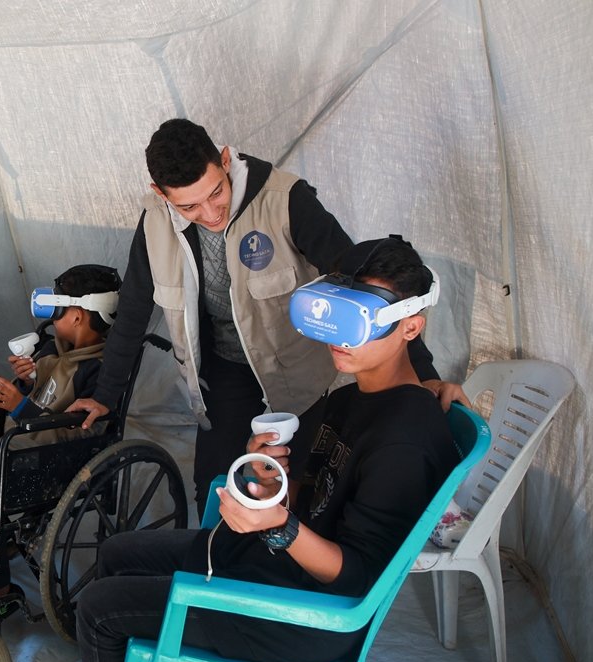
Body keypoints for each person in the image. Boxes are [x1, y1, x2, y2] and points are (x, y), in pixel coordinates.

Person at [75, 237, 461, 662]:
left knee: (97, 609)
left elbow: (355, 579)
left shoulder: (404, 439)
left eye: (361, 320)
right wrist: (272, 481)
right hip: (269, 565)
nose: (340, 336)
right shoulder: (347, 400)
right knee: (116, 553)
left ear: (410, 327)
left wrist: (279, 526)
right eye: (336, 312)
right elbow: (315, 500)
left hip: (301, 617)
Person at [68, 118, 464, 516]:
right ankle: (218, 555)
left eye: (216, 193)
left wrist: (424, 376)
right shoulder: (155, 221)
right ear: (160, 193)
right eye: (189, 206)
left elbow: (363, 288)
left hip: (296, 374)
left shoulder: (285, 198)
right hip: (223, 371)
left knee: (300, 491)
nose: (210, 213)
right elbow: (134, 309)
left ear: (225, 160)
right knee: (216, 488)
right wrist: (104, 395)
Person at [0, 264, 121, 640]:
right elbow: (38, 393)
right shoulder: (50, 349)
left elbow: (74, 435)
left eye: (57, 311)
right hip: (18, 448)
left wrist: (20, 406)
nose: (51, 319)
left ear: (77, 315)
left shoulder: (99, 371)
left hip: (56, 463)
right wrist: (27, 381)